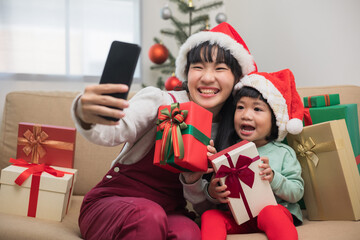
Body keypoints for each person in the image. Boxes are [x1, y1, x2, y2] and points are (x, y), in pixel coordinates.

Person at [71, 22, 257, 240]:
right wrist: (86, 114)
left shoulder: (231, 130)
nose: (207, 77)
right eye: (198, 66)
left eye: (220, 68)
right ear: (187, 73)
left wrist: (193, 180)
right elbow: (114, 131)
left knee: (189, 233)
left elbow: (204, 209)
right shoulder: (160, 100)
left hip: (170, 211)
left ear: (236, 78)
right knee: (148, 216)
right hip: (114, 202)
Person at [200, 69, 305, 240]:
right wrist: (212, 192)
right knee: (210, 216)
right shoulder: (227, 150)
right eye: (240, 107)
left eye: (257, 109)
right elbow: (213, 189)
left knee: (271, 213)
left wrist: (274, 178)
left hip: (274, 212)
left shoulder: (283, 153)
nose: (246, 115)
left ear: (275, 120)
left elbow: (297, 192)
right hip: (239, 217)